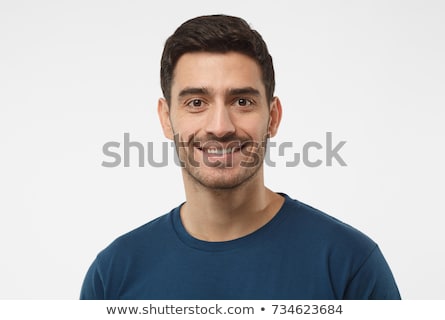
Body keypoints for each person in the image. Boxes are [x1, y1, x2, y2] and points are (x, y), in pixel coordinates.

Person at [80, 14, 400, 300]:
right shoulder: (114, 274)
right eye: (196, 102)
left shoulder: (349, 265)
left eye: (242, 101)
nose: (220, 128)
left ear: (272, 117)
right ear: (166, 118)